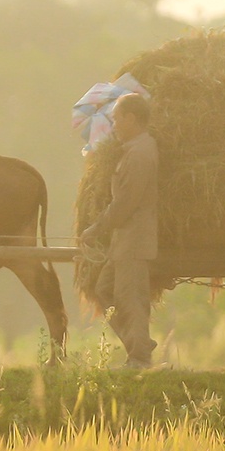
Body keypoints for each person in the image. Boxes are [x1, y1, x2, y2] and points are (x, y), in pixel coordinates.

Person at [80, 92, 159, 368]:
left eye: (116, 119)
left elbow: (125, 203)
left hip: (134, 239)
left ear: (131, 119)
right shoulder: (134, 151)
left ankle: (139, 358)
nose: (113, 126)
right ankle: (139, 342)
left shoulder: (139, 155)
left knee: (130, 298)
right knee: (104, 290)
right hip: (123, 240)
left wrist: (96, 228)